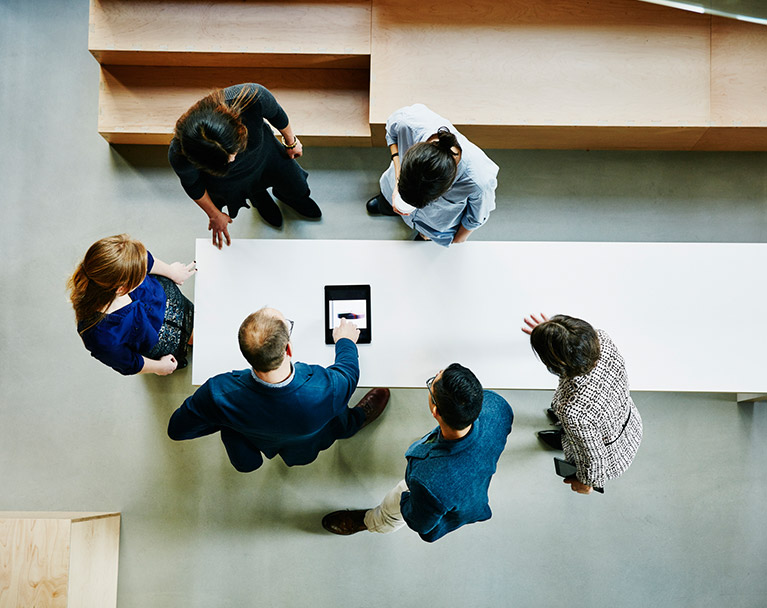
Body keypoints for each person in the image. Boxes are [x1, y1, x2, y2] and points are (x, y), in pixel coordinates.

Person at [167, 308, 389, 472]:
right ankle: (356, 421)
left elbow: (178, 430)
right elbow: (349, 372)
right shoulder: (325, 387)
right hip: (309, 440)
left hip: (262, 440)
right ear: (289, 348)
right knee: (339, 415)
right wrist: (346, 341)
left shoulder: (218, 393)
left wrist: (227, 421)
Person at [322, 363, 512, 542]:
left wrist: (406, 499)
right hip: (470, 478)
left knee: (392, 509)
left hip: (441, 494)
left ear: (436, 411)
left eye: (432, 384)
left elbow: (420, 522)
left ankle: (369, 521)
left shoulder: (429, 481)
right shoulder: (498, 406)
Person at [169, 83, 321, 248]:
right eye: (224, 160)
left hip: (266, 155)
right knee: (253, 192)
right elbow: (193, 184)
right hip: (228, 180)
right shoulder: (180, 153)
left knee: (298, 187)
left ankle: (289, 197)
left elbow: (277, 114)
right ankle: (259, 198)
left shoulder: (251, 98)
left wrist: (291, 142)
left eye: (233, 152)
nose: (232, 160)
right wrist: (214, 215)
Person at [522, 313, 643, 494]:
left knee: (577, 434)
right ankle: (568, 435)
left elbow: (593, 457)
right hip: (625, 421)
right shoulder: (602, 339)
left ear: (557, 363)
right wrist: (555, 337)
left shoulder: (573, 412)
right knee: (574, 424)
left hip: (611, 453)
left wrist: (588, 483)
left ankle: (568, 438)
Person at [366, 104, 499, 246]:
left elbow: (476, 218)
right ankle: (386, 203)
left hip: (433, 224)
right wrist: (397, 180)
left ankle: (425, 235)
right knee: (386, 203)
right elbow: (391, 133)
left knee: (425, 239)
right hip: (392, 189)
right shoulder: (407, 122)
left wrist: (458, 239)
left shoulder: (479, 181)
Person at [68, 234, 196, 376]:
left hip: (167, 300)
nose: (145, 270)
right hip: (162, 340)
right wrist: (159, 367)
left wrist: (172, 272)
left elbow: (146, 260)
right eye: (141, 275)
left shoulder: (123, 259)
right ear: (121, 289)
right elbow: (129, 362)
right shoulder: (98, 335)